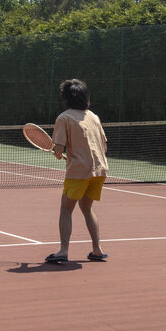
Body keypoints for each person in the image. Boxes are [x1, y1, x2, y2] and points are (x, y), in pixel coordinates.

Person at [45, 79, 109, 264]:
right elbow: (103, 147)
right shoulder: (94, 117)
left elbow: (58, 150)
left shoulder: (63, 118)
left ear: (65, 98)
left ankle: (63, 251)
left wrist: (58, 153)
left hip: (79, 173)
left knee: (66, 209)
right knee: (87, 207)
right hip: (99, 171)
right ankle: (97, 250)